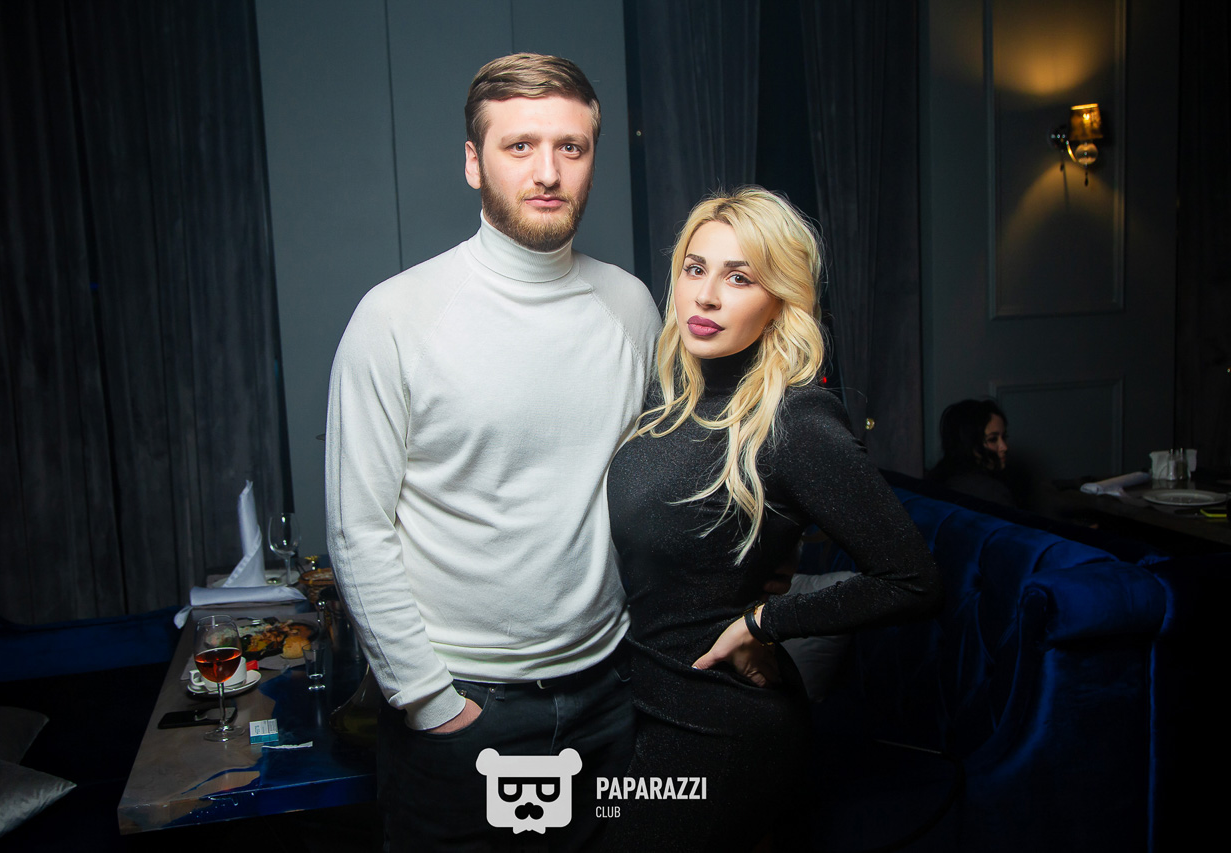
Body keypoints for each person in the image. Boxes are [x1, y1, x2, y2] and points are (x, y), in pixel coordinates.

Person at [325, 54, 660, 851]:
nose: (548, 172)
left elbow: (657, 489)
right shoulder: (395, 317)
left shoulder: (631, 305)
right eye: (519, 146)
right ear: (474, 162)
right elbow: (357, 527)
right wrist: (428, 699)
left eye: (571, 147)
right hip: (462, 709)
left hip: (610, 697)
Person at [603, 187, 941, 851]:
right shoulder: (663, 403)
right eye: (695, 268)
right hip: (634, 710)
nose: (705, 296)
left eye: (739, 278)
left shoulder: (795, 421)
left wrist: (764, 622)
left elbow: (914, 580)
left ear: (780, 301)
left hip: (720, 728)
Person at [927, 398, 1015, 506]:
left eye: (1004, 437)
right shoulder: (992, 493)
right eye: (993, 439)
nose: (1004, 447)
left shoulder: (935, 480)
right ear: (968, 443)